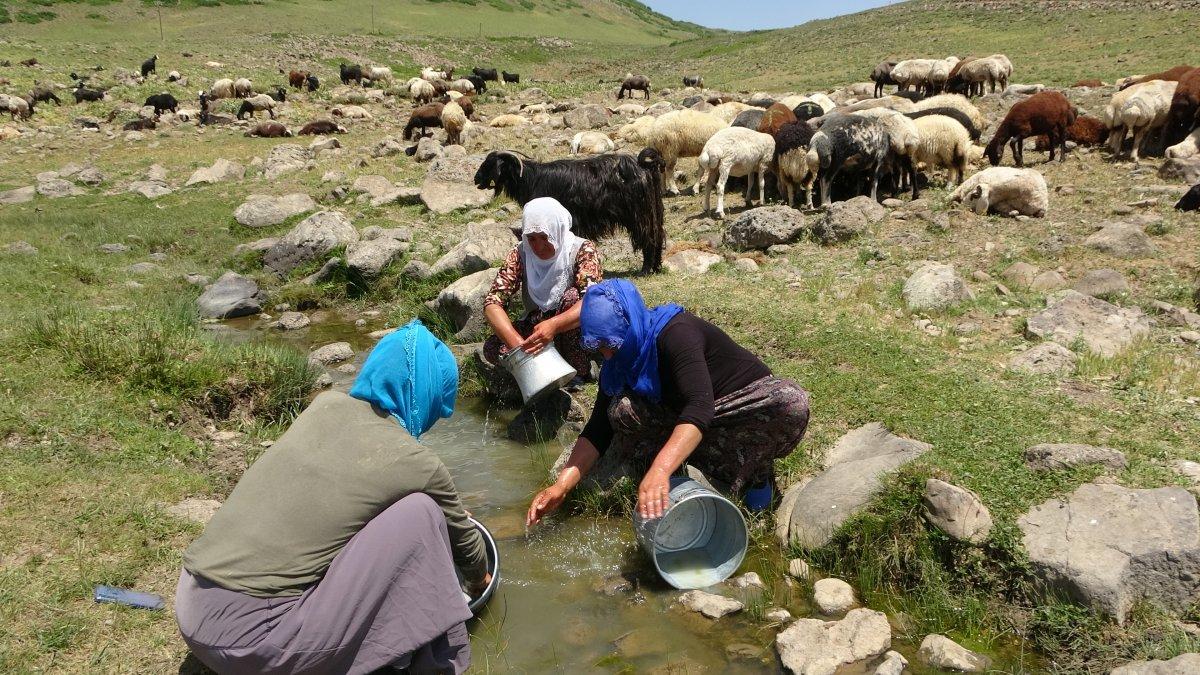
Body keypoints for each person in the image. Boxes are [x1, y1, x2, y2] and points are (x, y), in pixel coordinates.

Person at [175, 320, 489, 675]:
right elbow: (470, 553)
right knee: (423, 512)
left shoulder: (323, 406)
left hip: (192, 608)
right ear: (427, 396)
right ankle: (432, 664)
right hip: (253, 646)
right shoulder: (419, 463)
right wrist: (480, 581)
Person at [527, 279, 810, 526]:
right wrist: (561, 487)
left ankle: (757, 473)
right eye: (600, 348)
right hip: (687, 415)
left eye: (612, 345)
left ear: (630, 323)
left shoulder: (676, 334)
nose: (608, 356)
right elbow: (598, 429)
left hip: (736, 402)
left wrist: (660, 470)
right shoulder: (618, 364)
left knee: (790, 402)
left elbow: (700, 405)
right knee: (621, 410)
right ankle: (696, 465)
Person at [483, 197, 603, 383]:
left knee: (572, 298)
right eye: (532, 238)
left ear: (557, 230)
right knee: (492, 347)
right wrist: (518, 344)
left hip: (573, 327)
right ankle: (541, 371)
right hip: (538, 326)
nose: (538, 246)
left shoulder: (582, 249)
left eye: (545, 237)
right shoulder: (521, 253)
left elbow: (592, 302)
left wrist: (554, 326)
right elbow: (493, 302)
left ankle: (580, 370)